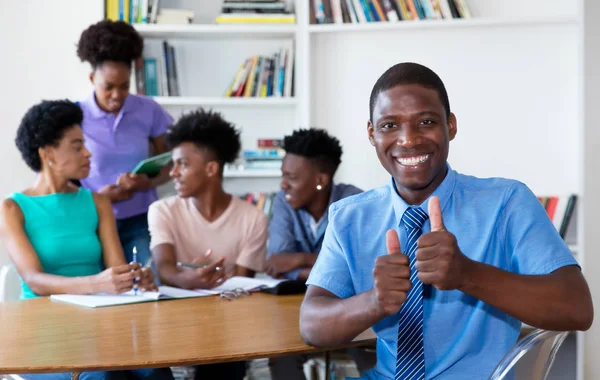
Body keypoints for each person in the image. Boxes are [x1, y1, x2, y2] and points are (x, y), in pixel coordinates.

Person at [299, 62, 594, 379]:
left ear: (450, 126)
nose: (408, 140)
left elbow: (577, 308)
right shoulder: (350, 217)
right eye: (389, 126)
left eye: (425, 122)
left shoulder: (507, 202)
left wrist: (468, 275)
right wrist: (373, 301)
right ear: (371, 134)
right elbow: (312, 327)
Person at [0, 100, 172, 380]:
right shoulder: (13, 208)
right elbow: (34, 280)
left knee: (156, 369)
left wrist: (136, 278)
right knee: (104, 375)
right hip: (42, 330)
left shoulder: (98, 202)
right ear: (47, 153)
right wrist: (96, 283)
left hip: (99, 323)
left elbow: (117, 270)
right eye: (77, 146)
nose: (88, 153)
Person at [148, 108, 268, 380]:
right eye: (173, 164)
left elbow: (242, 288)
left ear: (211, 168)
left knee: (225, 365)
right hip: (172, 324)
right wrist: (189, 278)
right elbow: (164, 269)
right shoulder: (161, 210)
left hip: (227, 327)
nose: (173, 173)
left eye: (182, 164)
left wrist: (200, 282)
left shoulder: (254, 218)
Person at [76, 20, 174, 267]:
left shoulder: (149, 110)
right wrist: (97, 197)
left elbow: (170, 164)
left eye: (124, 86)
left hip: (140, 220)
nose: (117, 95)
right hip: (91, 221)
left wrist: (147, 182)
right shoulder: (74, 116)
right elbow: (62, 179)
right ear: (91, 78)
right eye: (108, 87)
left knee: (146, 286)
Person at [265, 128, 362, 282]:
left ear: (321, 181)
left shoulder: (354, 203)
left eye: (292, 177)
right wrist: (326, 265)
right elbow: (275, 264)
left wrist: (299, 260)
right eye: (283, 175)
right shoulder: (283, 201)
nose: (283, 185)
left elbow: (358, 267)